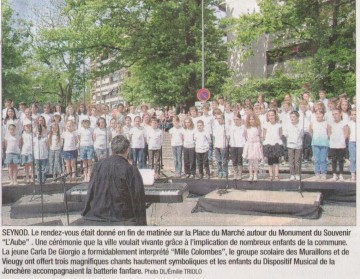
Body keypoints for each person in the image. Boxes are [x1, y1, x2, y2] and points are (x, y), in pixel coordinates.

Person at [81, 135, 147, 225]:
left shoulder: (98, 165)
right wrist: (141, 225)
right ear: (127, 150)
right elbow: (138, 199)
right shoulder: (131, 169)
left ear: (112, 149)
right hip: (122, 217)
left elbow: (91, 191)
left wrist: (86, 213)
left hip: (97, 214)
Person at [262, 109, 284, 181]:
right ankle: (271, 175)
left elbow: (280, 134)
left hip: (276, 143)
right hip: (268, 143)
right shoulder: (265, 125)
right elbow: (264, 135)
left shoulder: (279, 125)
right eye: (269, 115)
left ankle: (277, 175)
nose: (271, 117)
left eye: (272, 115)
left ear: (275, 115)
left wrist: (276, 141)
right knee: (270, 161)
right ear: (267, 116)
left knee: (276, 160)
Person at [328, 109, 349, 181]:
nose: (335, 115)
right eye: (333, 114)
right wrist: (332, 139)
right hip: (333, 144)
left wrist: (342, 140)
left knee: (340, 160)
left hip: (341, 145)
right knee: (333, 160)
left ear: (340, 114)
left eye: (336, 114)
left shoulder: (344, 123)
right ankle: (334, 175)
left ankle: (341, 175)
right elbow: (329, 132)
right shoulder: (330, 123)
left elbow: (346, 133)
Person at [309, 109, 330, 181]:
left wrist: (326, 139)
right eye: (317, 114)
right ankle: (317, 173)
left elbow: (329, 132)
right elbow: (310, 131)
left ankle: (324, 173)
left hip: (324, 143)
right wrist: (314, 138)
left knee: (323, 159)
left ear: (323, 115)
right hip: (315, 143)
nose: (318, 115)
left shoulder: (326, 123)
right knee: (316, 159)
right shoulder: (313, 123)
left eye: (320, 114)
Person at [283, 111, 304, 181]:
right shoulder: (287, 125)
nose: (292, 118)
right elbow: (285, 134)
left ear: (297, 118)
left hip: (298, 145)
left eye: (294, 117)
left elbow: (302, 135)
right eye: (291, 117)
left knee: (297, 161)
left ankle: (297, 174)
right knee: (291, 161)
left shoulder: (300, 125)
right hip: (290, 145)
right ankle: (292, 174)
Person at [243, 113, 263, 181]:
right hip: (249, 144)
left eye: (253, 119)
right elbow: (245, 136)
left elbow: (260, 135)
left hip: (256, 145)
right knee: (250, 161)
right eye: (250, 119)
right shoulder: (246, 127)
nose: (251, 120)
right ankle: (250, 175)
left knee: (256, 161)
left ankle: (255, 175)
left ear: (255, 120)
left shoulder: (258, 127)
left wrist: (258, 144)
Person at [229, 112, 246, 180]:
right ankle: (235, 173)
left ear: (240, 119)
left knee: (240, 160)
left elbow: (245, 137)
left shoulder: (243, 127)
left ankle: (240, 174)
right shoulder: (232, 127)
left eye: (237, 119)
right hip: (233, 145)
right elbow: (230, 137)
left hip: (241, 145)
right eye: (234, 119)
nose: (235, 121)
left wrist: (244, 145)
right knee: (234, 160)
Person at [348, 109, 356, 182]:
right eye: (352, 114)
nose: (353, 116)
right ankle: (353, 173)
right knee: (353, 158)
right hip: (352, 142)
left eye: (355, 114)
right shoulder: (349, 123)